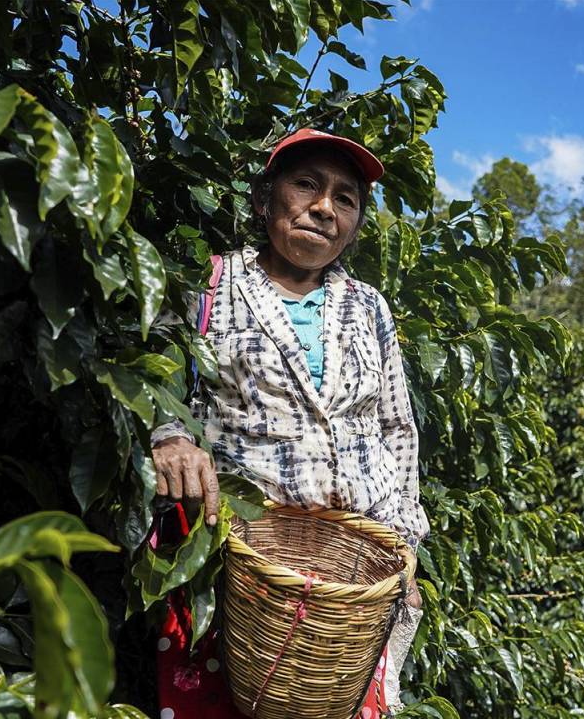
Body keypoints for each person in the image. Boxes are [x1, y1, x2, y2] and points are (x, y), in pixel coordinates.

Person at [150, 127, 428, 718]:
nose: (324, 207)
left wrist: (404, 538)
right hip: (242, 561)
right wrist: (171, 436)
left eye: (345, 198)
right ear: (264, 198)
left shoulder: (368, 306)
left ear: (354, 226)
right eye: (306, 184)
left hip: (351, 574)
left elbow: (396, 426)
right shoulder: (212, 284)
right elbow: (158, 379)